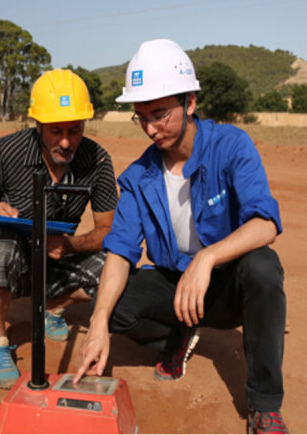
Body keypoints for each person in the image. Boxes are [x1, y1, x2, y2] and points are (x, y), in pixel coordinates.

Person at [74, 40, 289, 434]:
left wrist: (207, 259)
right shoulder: (139, 177)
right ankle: (178, 335)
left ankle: (264, 404)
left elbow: (266, 224)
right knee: (107, 302)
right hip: (177, 285)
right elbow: (121, 252)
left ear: (190, 102)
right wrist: (99, 324)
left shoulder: (231, 146)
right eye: (141, 117)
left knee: (263, 268)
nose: (152, 129)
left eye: (160, 114)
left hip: (225, 286)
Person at [0, 68, 118, 390]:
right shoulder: (7, 151)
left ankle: (53, 306)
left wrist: (71, 244)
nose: (65, 141)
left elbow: (108, 229)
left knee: (114, 264)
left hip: (59, 259)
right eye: (55, 131)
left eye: (75, 131)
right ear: (38, 125)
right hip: (14, 261)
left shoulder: (97, 161)